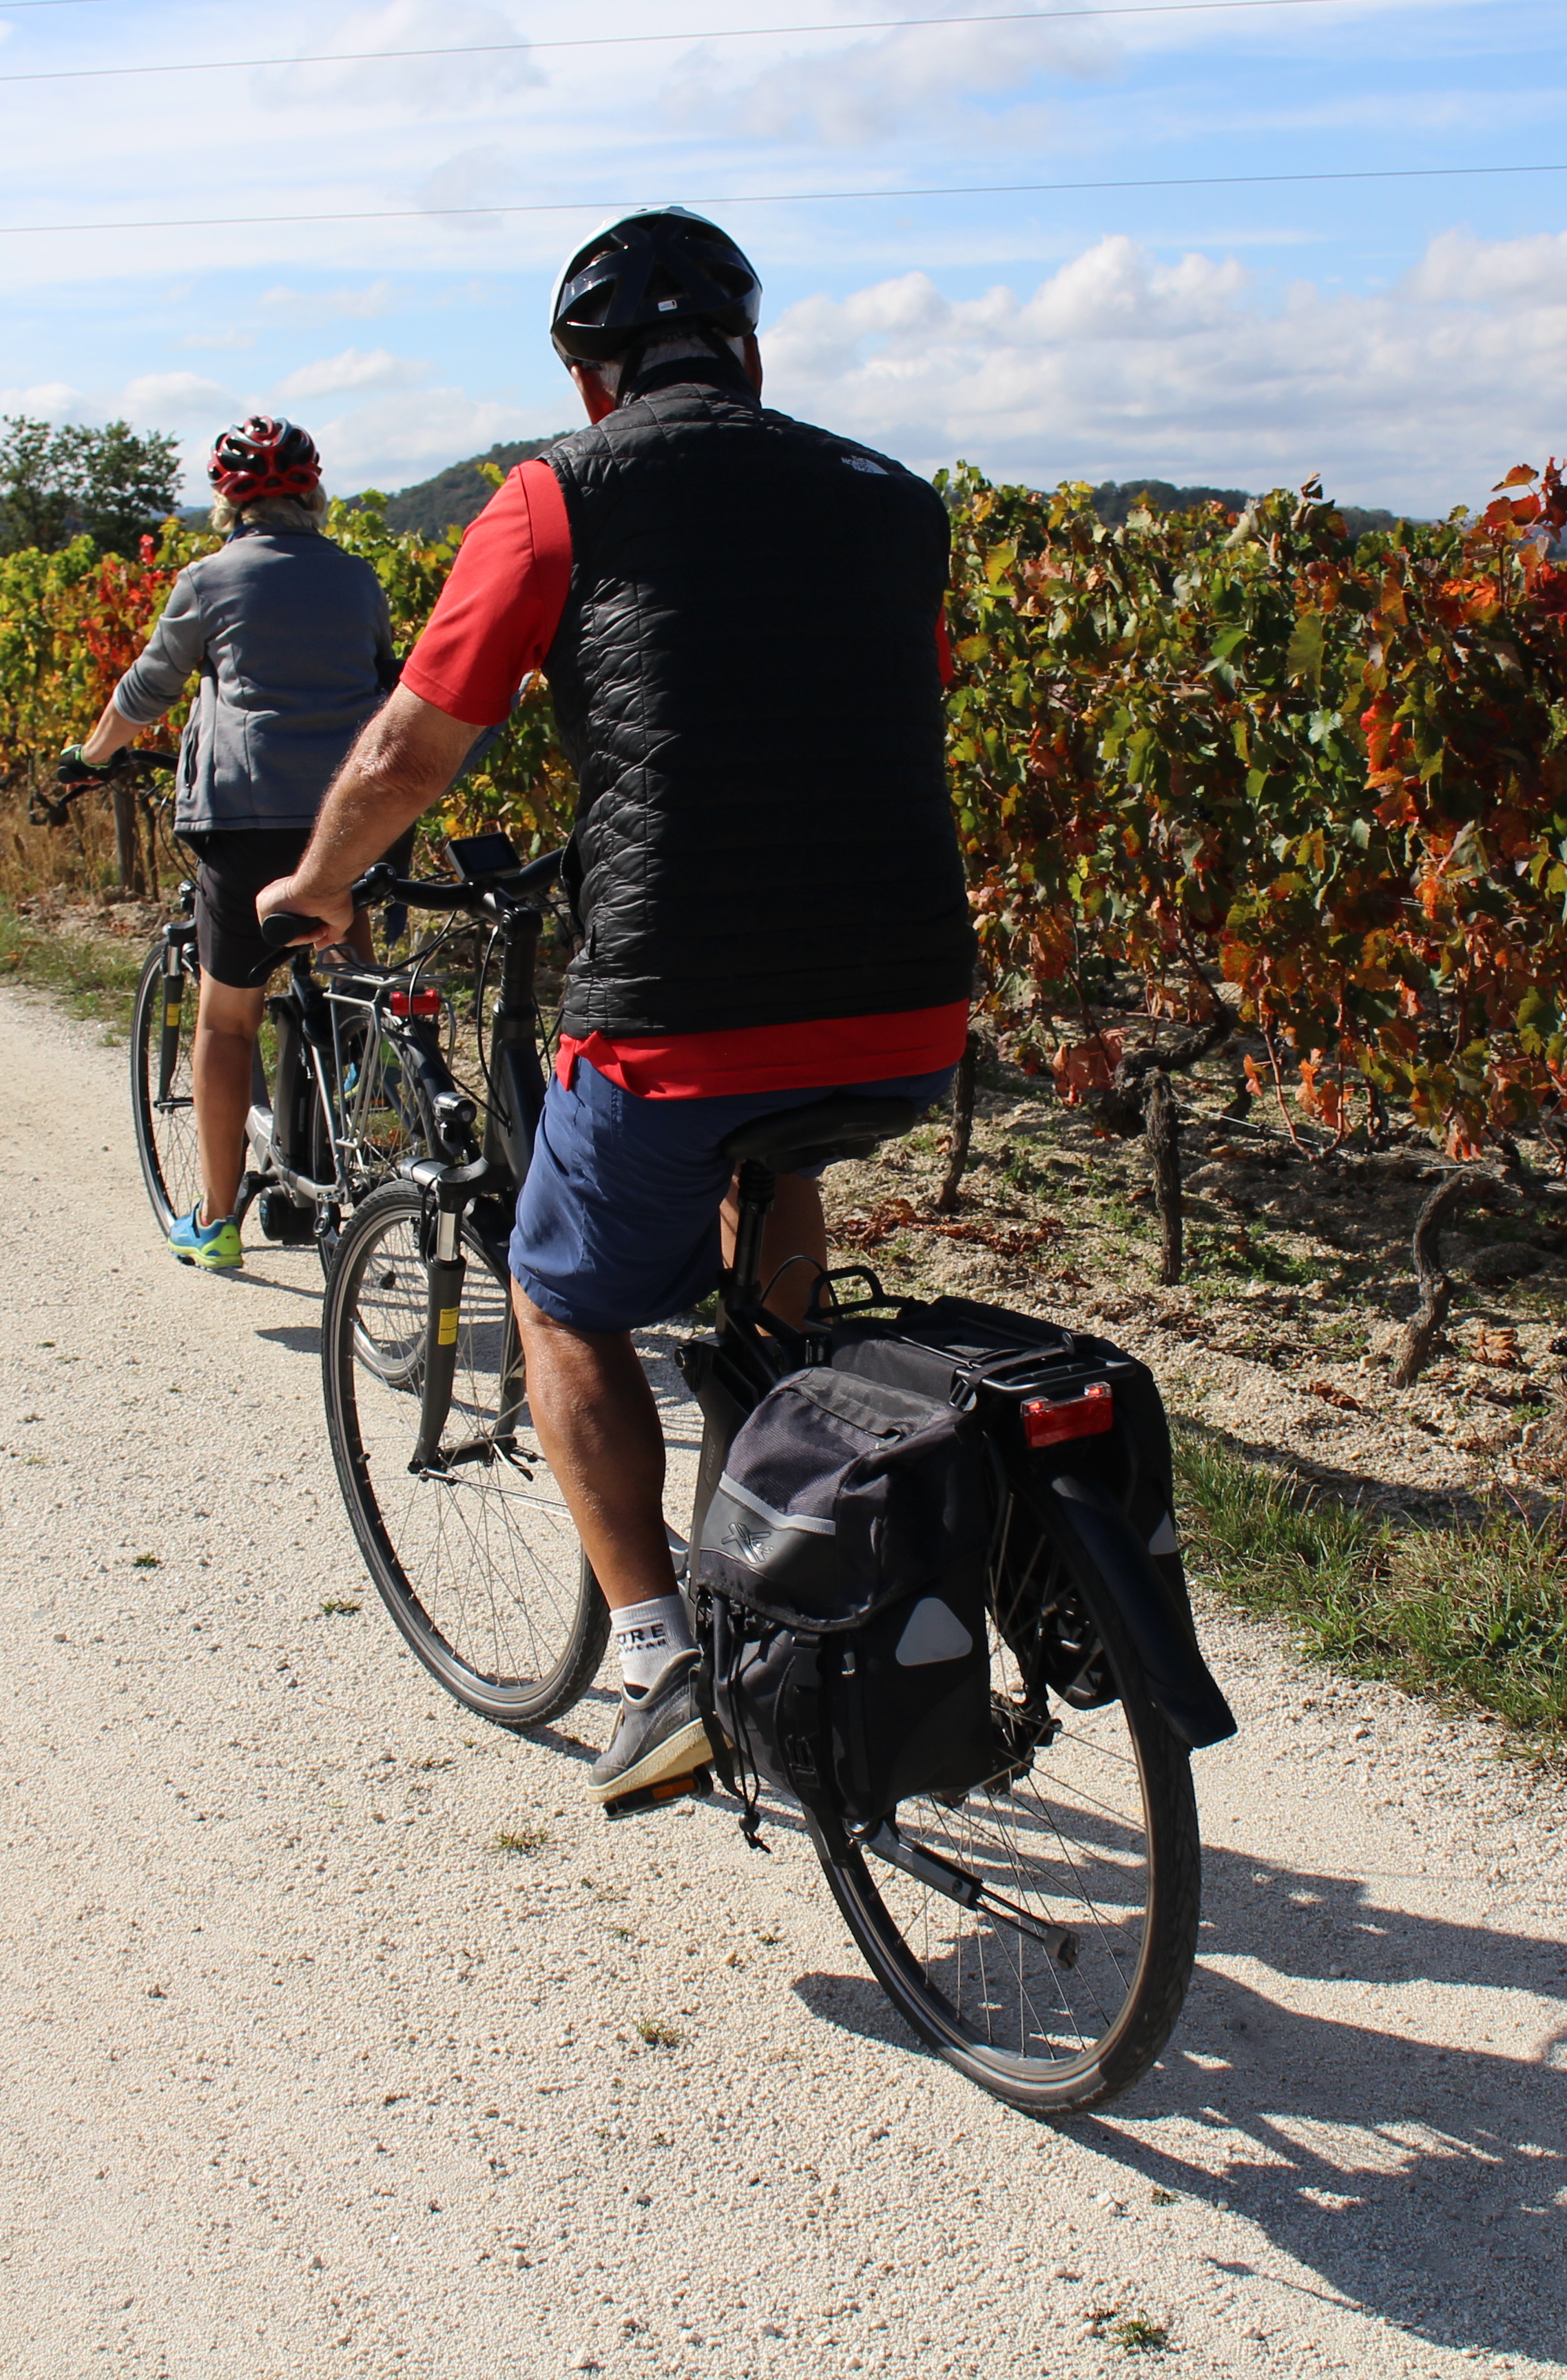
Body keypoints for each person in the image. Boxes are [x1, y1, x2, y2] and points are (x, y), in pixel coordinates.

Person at [258, 207, 975, 1803]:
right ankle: (772, 1501)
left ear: (590, 385)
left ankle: (656, 1660)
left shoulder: (552, 498)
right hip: (914, 1008)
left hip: (681, 1006)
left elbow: (405, 752)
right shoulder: (894, 500)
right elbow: (875, 696)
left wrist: (317, 880)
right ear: (752, 355)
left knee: (560, 1291)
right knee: (772, 1160)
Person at [61, 416, 395, 1273]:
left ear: (226, 503)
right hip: (355, 816)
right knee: (352, 971)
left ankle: (214, 1221)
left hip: (247, 820)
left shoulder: (209, 580)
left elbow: (148, 688)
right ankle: (365, 1085)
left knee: (227, 1018)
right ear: (315, 495)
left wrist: (88, 758)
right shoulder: (359, 580)